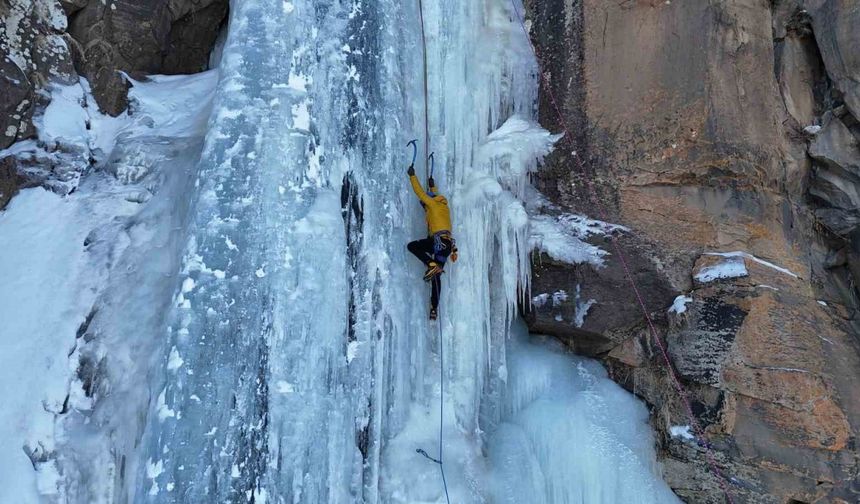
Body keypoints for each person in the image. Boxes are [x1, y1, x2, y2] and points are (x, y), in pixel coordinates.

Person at [406, 163, 458, 320]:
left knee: (413, 246)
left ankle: (430, 263)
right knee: (436, 276)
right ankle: (434, 307)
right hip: (446, 245)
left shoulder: (433, 204)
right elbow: (434, 195)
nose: (425, 207)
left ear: (431, 200)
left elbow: (420, 193)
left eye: (425, 205)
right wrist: (433, 186)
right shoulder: (443, 206)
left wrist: (412, 176)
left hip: (438, 243)